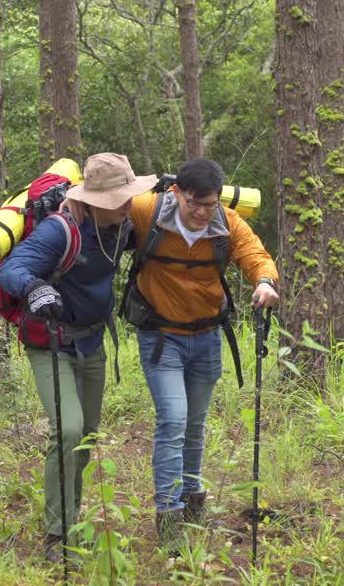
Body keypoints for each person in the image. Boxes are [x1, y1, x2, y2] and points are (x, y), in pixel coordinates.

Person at [0, 153, 157, 563]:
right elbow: (10, 269)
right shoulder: (59, 230)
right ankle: (57, 536)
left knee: (85, 433)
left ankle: (72, 521)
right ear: (97, 199)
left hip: (92, 343)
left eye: (129, 195)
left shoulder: (121, 226)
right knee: (67, 430)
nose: (128, 203)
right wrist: (34, 287)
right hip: (51, 344)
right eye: (121, 197)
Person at [121, 158, 280, 551]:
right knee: (173, 419)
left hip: (207, 336)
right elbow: (104, 216)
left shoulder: (227, 222)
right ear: (177, 194)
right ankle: (169, 517)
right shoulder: (147, 212)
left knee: (195, 424)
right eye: (195, 203)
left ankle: (193, 503)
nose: (201, 213)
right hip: (161, 337)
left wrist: (264, 283)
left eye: (209, 205)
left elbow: (255, 255)